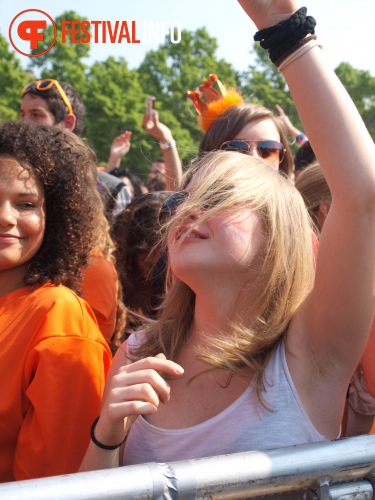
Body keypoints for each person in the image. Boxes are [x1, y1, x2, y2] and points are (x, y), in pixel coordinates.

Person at [79, 0, 375, 471]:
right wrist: (107, 434)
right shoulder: (139, 351)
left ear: (278, 234)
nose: (188, 212)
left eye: (218, 199)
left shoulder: (307, 354)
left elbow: (363, 194)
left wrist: (286, 30)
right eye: (183, 200)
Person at [0, 122, 112, 481]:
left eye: (26, 203)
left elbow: (53, 484)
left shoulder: (59, 318)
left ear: (55, 216)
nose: (5, 217)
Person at [19, 79, 126, 341]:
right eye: (22, 115)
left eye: (36, 115)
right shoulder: (15, 249)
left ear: (69, 123)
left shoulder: (93, 266)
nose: (26, 125)